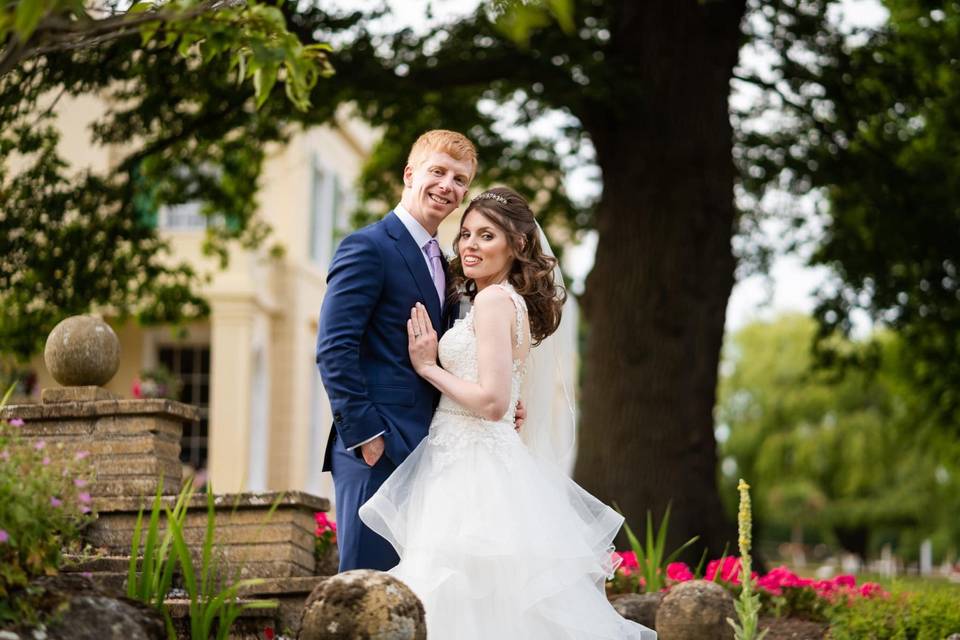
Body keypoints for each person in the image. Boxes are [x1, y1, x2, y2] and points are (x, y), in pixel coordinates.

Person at [359, 187, 656, 639]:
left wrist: (426, 367)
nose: (470, 245)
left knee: (460, 595)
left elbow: (493, 403)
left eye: (486, 235)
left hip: (472, 468)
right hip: (470, 457)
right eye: (466, 234)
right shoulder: (493, 300)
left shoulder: (496, 301)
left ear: (516, 245)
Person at [315, 129, 478, 571]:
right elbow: (334, 347)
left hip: (432, 452)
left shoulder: (445, 263)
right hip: (377, 453)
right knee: (367, 593)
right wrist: (368, 438)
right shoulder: (367, 246)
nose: (448, 186)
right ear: (410, 174)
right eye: (438, 172)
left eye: (460, 180)